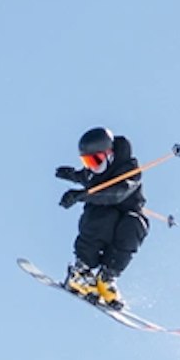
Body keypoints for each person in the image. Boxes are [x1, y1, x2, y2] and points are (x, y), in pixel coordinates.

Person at [54, 126, 149, 309]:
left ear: (110, 154)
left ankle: (107, 277)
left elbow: (117, 194)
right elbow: (84, 176)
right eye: (87, 161)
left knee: (135, 224)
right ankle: (81, 271)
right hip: (100, 219)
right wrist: (70, 175)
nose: (92, 166)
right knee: (103, 217)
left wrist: (82, 195)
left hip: (125, 216)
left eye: (95, 160)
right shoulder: (93, 171)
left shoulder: (130, 170)